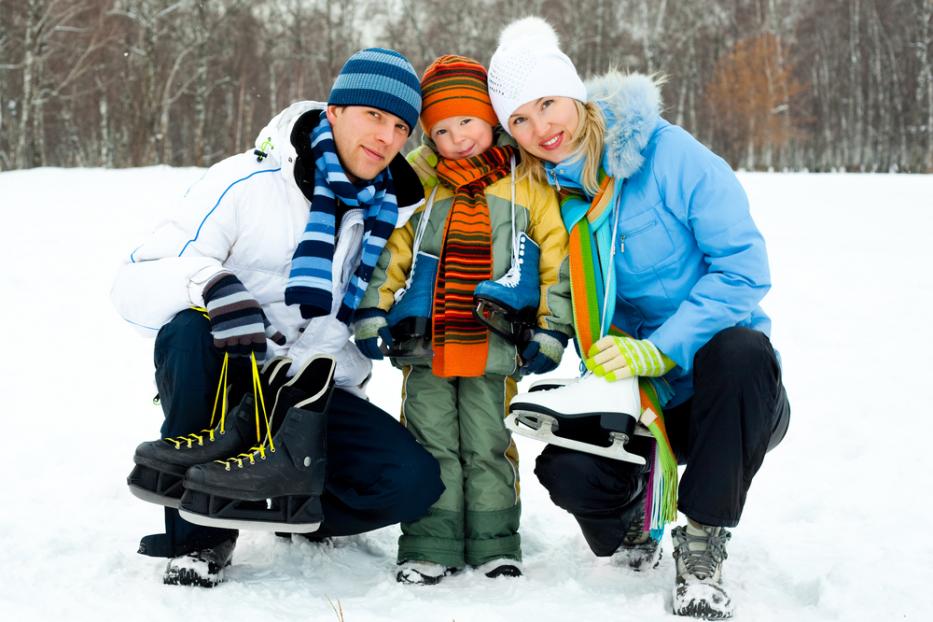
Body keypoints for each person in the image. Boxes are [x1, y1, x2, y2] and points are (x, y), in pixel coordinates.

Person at [486, 18, 791, 619]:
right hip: (633, 401)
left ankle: (702, 538)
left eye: (548, 105)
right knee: (567, 469)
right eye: (519, 119)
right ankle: (632, 521)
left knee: (741, 351)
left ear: (573, 94)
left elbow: (744, 270)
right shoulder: (540, 198)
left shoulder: (669, 155)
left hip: (725, 398)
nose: (540, 129)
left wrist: (664, 347)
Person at [111, 48, 444, 587]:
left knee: (411, 483)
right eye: (373, 116)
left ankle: (284, 502)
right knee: (189, 330)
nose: (386, 137)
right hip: (230, 376)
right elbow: (133, 281)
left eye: (401, 126)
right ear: (335, 111)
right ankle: (201, 537)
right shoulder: (249, 183)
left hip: (310, 396)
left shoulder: (396, 214)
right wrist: (212, 286)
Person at [353, 55, 573, 585]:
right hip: (426, 344)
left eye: (468, 122)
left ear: (491, 119)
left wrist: (551, 328)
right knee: (432, 443)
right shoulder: (420, 182)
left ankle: (497, 542)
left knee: (487, 444)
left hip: (497, 344)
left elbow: (555, 261)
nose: (458, 138)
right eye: (443, 129)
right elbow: (391, 251)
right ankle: (431, 541)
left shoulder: (527, 183)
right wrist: (372, 314)